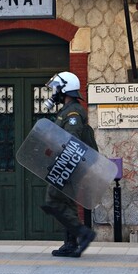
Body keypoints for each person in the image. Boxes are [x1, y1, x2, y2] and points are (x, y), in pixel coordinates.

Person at [41, 71, 96, 258]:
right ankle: (70, 244)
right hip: (66, 164)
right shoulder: (66, 110)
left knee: (53, 200)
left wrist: (61, 164)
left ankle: (83, 234)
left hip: (69, 165)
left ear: (64, 89)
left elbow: (72, 140)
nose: (53, 92)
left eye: (56, 88)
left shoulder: (73, 112)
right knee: (67, 203)